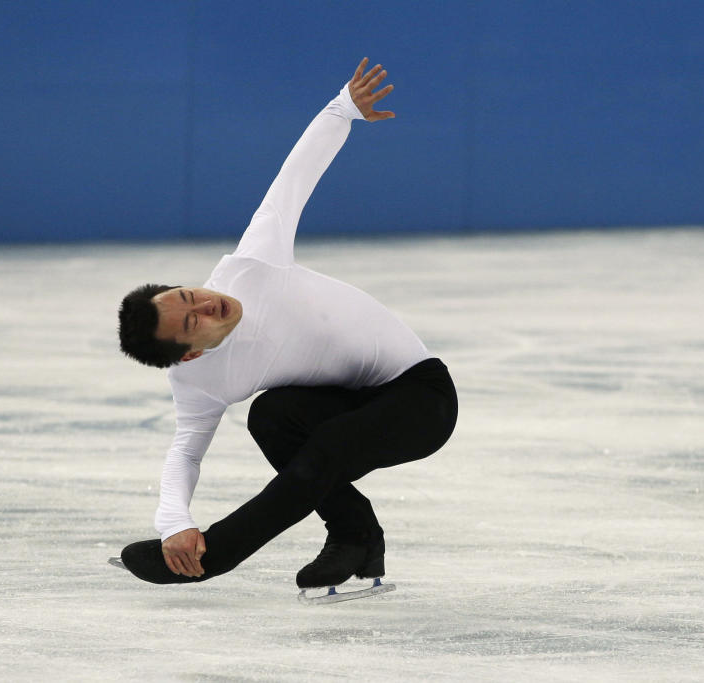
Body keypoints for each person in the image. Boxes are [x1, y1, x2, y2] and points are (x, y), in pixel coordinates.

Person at [115, 58, 457, 586]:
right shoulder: (197, 382)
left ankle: (218, 554)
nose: (209, 304)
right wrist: (173, 521)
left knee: (329, 445)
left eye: (190, 293)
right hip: (352, 407)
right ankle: (357, 535)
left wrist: (343, 109)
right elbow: (185, 452)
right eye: (192, 321)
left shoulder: (252, 266)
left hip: (421, 398)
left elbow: (294, 176)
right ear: (188, 355)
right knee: (271, 417)